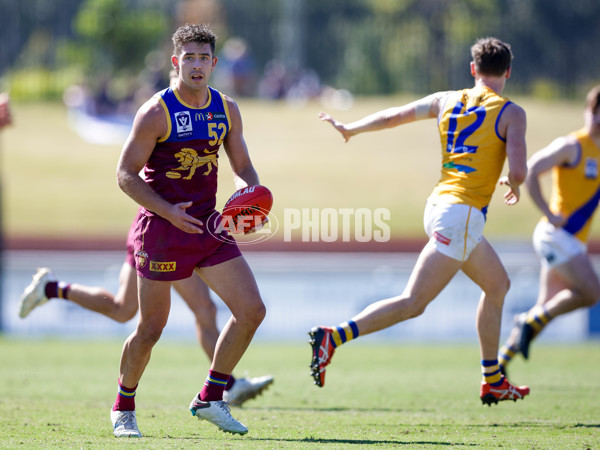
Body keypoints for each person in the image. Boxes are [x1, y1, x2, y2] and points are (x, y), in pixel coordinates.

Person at [311, 37, 530, 406]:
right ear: (508, 71)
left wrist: (353, 128)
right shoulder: (511, 113)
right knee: (413, 303)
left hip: (440, 206)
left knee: (497, 285)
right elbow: (520, 169)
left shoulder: (446, 99)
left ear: (473, 69)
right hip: (461, 214)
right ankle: (334, 336)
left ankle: (492, 380)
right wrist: (515, 182)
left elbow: (395, 115)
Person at [110, 23, 267, 437]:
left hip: (207, 227)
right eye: (189, 58)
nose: (196, 66)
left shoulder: (226, 108)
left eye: (204, 58)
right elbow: (125, 175)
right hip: (161, 230)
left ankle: (210, 398)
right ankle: (123, 407)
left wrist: (249, 194)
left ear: (214, 64)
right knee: (150, 329)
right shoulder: (156, 112)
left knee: (252, 310)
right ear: (176, 62)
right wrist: (165, 210)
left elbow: (243, 167)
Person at [17, 222, 274, 406]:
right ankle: (228, 385)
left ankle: (50, 288)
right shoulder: (159, 148)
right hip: (161, 237)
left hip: (168, 234)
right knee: (198, 309)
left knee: (122, 309)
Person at [498, 85, 600, 373]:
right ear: (585, 112)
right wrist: (547, 211)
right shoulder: (573, 145)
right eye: (594, 112)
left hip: (571, 242)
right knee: (592, 293)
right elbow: (531, 169)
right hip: (556, 236)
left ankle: (501, 364)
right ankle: (527, 322)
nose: (596, 119)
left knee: (544, 310)